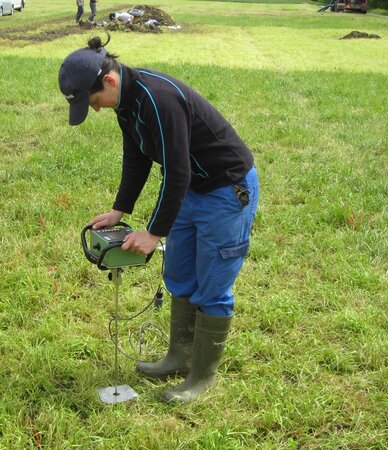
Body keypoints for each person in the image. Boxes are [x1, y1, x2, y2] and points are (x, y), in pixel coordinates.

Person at [58, 36, 259, 403]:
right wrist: (120, 209)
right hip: (189, 190)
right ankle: (180, 357)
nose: (97, 110)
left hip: (226, 190)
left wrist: (153, 232)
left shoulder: (158, 99)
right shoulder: (125, 103)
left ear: (109, 81)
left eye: (94, 101)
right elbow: (136, 156)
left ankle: (202, 377)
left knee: (212, 286)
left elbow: (178, 171)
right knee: (179, 274)